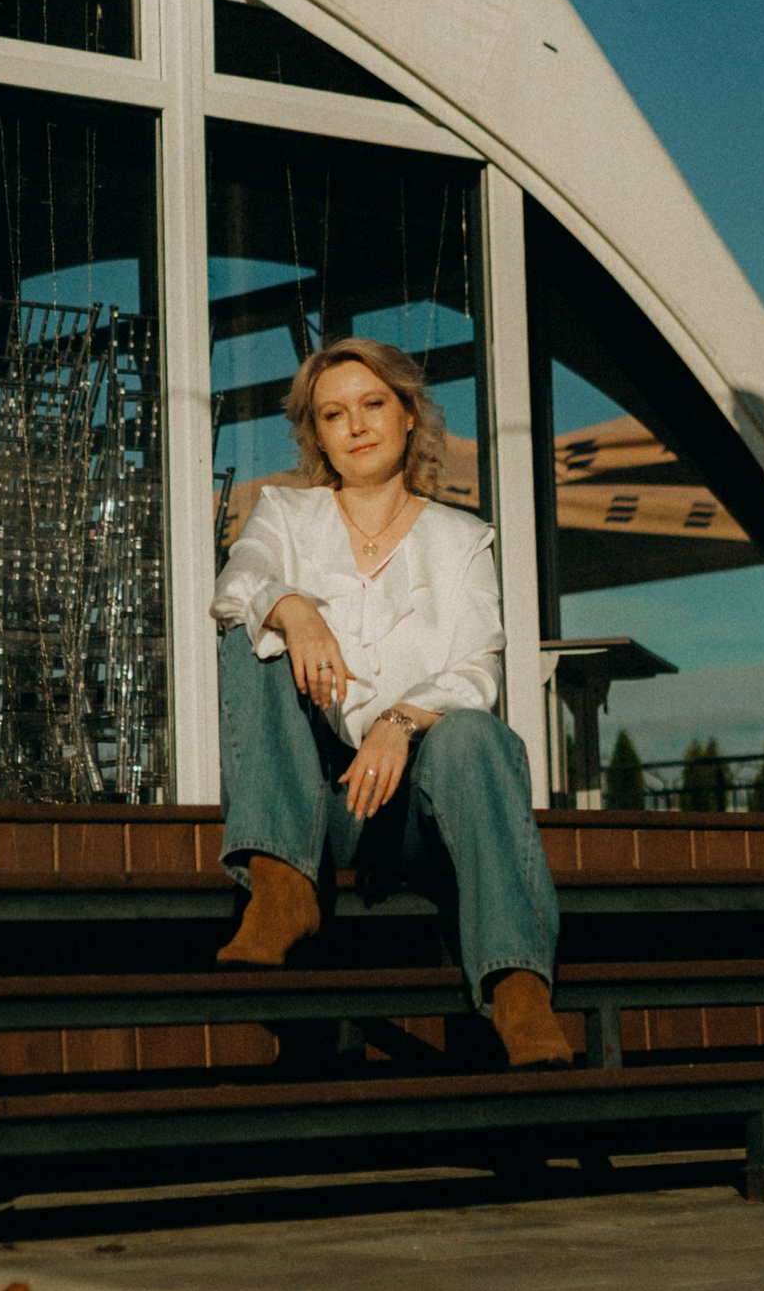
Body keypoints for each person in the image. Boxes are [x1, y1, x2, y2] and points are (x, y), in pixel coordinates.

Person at [210, 334, 575, 1066]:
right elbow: (237, 583)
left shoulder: (461, 540)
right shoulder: (285, 513)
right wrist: (292, 607)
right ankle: (280, 891)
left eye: (373, 404)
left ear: (409, 414)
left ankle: (518, 991)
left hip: (413, 808)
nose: (356, 425)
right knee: (251, 636)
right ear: (317, 436)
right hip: (313, 812)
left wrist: (399, 722)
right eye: (333, 414)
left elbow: (477, 671)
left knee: (475, 734)